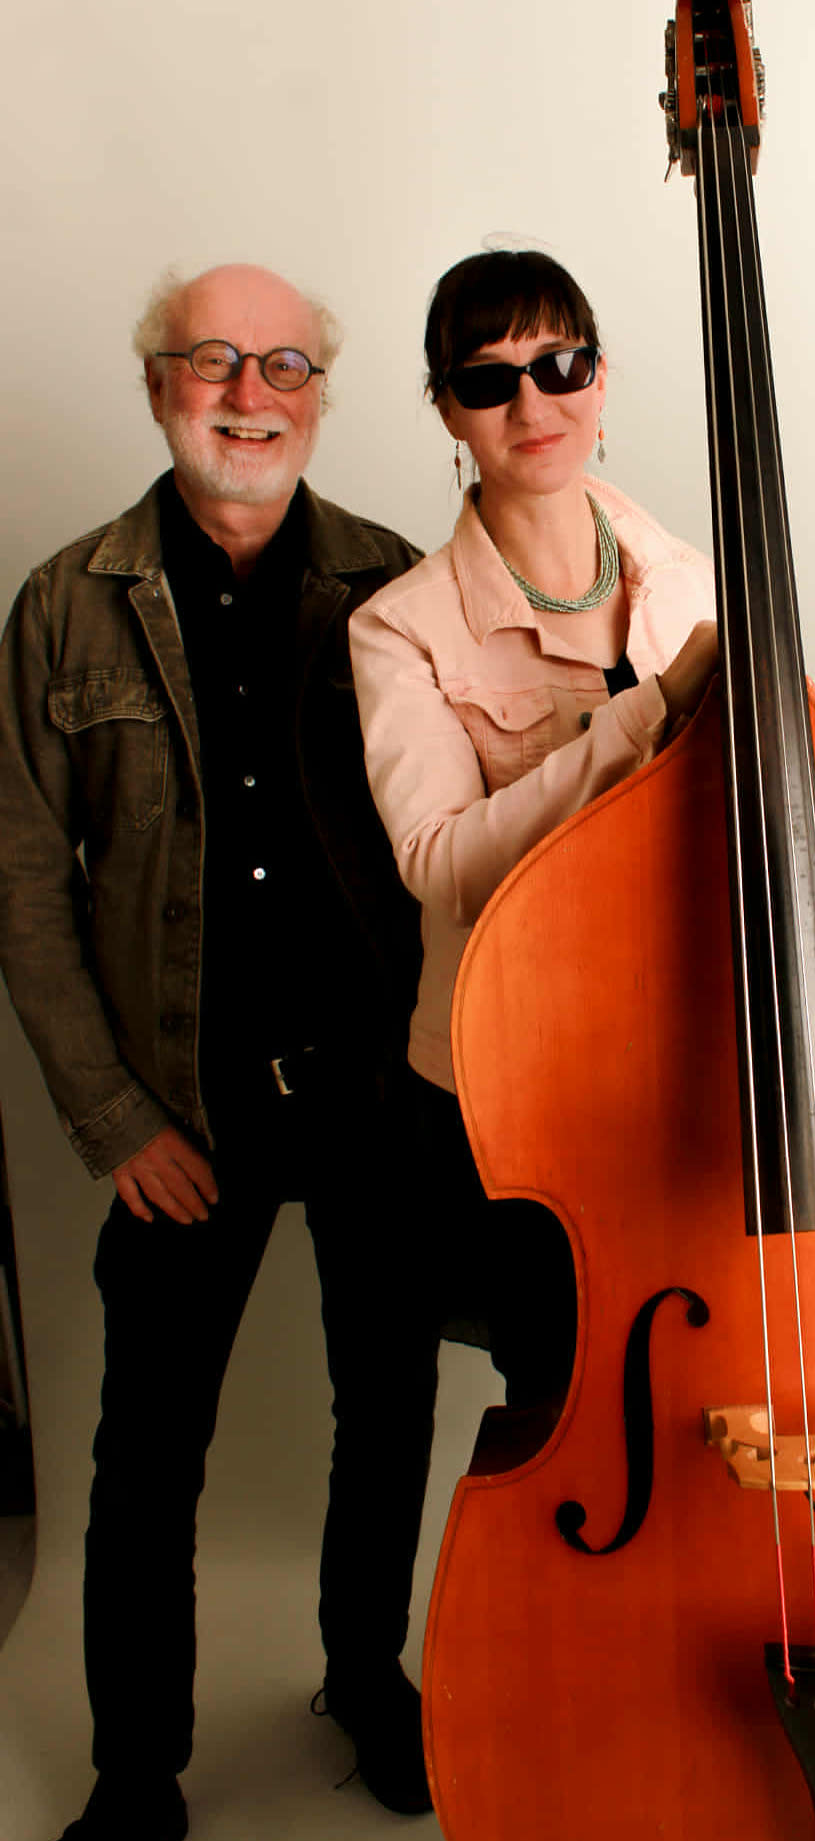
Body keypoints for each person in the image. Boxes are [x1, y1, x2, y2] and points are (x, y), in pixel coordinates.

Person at [0, 264, 445, 1839]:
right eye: (211, 360)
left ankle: (367, 1678)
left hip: (373, 1089)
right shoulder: (65, 602)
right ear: (157, 385)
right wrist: (116, 1120)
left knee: (388, 1410)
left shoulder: (396, 583)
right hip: (179, 1109)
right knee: (146, 1452)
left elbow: (453, 843)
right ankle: (136, 1770)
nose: (248, 394)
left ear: (320, 395)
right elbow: (22, 883)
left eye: (284, 365)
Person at [349, 249, 717, 1416]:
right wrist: (649, 711)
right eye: (487, 379)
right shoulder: (399, 627)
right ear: (447, 411)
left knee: (702, 1387)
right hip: (514, 1077)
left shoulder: (690, 576)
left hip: (691, 1066)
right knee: (562, 1396)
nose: (532, 404)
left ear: (600, 377)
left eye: (560, 365)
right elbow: (440, 863)